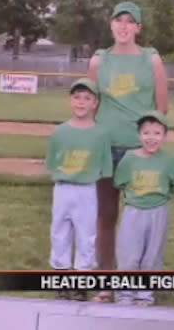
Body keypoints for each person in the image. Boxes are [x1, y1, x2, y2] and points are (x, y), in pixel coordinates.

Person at [86, 1, 169, 303]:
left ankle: (139, 282)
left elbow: (161, 108)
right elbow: (90, 105)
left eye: (129, 21)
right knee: (106, 216)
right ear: (111, 25)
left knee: (142, 216)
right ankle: (106, 280)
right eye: (118, 20)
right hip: (107, 149)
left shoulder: (151, 59)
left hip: (139, 152)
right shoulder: (99, 61)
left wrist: (152, 146)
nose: (123, 26)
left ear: (138, 28)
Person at [43, 78, 113, 302]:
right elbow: (52, 161)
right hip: (63, 188)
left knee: (86, 234)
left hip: (86, 189)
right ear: (70, 101)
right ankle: (62, 279)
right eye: (76, 97)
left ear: (95, 103)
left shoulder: (101, 133)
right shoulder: (60, 131)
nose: (81, 102)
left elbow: (105, 165)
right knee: (60, 232)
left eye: (87, 98)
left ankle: (81, 282)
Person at [113, 111, 174, 306]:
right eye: (147, 133)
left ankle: (145, 295)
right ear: (139, 135)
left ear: (165, 136)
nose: (152, 138)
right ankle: (124, 295)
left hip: (158, 211)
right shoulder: (129, 158)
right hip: (134, 210)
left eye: (157, 133)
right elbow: (121, 182)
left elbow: (172, 186)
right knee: (129, 255)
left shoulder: (170, 161)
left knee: (152, 256)